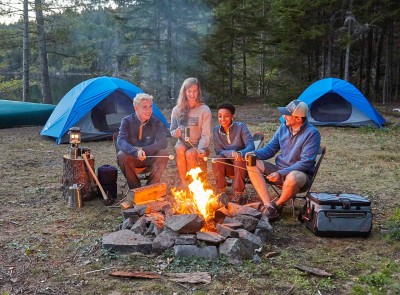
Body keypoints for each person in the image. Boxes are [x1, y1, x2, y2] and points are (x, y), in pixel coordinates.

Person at [246, 100, 321, 220]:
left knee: (293, 176)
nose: (283, 116)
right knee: (252, 162)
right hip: (279, 170)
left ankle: (277, 205)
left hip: (300, 175)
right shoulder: (283, 128)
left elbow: (305, 163)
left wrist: (280, 173)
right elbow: (270, 149)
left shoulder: (312, 134)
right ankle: (268, 205)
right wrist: (253, 154)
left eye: (287, 114)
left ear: (298, 118)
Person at [116, 93, 169, 189]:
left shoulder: (155, 122)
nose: (148, 111)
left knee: (164, 154)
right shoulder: (127, 121)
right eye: (144, 107)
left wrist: (144, 150)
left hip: (149, 157)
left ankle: (150, 187)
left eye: (150, 107)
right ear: (136, 108)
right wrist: (135, 151)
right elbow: (120, 141)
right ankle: (136, 189)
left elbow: (163, 142)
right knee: (122, 155)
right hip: (132, 157)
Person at [170, 78, 212, 187]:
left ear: (198, 92)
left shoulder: (204, 110)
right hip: (183, 142)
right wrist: (176, 133)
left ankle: (194, 185)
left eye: (195, 91)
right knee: (179, 149)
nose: (192, 94)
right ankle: (184, 183)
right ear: (184, 92)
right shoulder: (177, 109)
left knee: (189, 154)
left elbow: (206, 134)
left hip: (198, 144)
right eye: (189, 91)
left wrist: (201, 148)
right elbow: (172, 130)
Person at [212, 102, 255, 203]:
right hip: (228, 166)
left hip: (242, 166)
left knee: (239, 159)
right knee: (217, 159)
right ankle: (221, 191)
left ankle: (238, 193)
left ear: (232, 116)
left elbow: (251, 145)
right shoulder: (215, 130)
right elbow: (218, 150)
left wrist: (240, 153)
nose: (222, 119)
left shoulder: (241, 127)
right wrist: (231, 152)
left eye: (226, 116)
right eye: (220, 116)